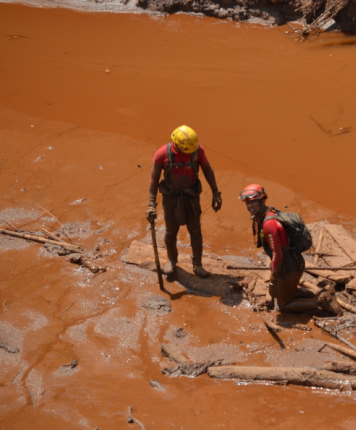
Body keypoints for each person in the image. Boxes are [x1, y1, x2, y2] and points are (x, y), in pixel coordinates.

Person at [239, 184, 342, 315]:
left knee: (284, 306)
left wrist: (272, 280)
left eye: (253, 202)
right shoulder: (268, 212)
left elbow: (277, 255)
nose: (250, 206)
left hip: (289, 269)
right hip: (294, 263)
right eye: (247, 203)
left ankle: (320, 300)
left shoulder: (268, 224)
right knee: (284, 292)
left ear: (262, 200)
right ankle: (324, 293)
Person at [146, 125, 222, 279]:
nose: (188, 153)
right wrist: (151, 204)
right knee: (170, 232)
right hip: (170, 197)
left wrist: (215, 192)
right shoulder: (162, 154)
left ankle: (197, 265)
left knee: (195, 231)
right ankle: (172, 261)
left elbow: (207, 169)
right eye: (185, 150)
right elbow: (154, 179)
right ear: (176, 143)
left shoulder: (197, 151)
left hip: (191, 196)